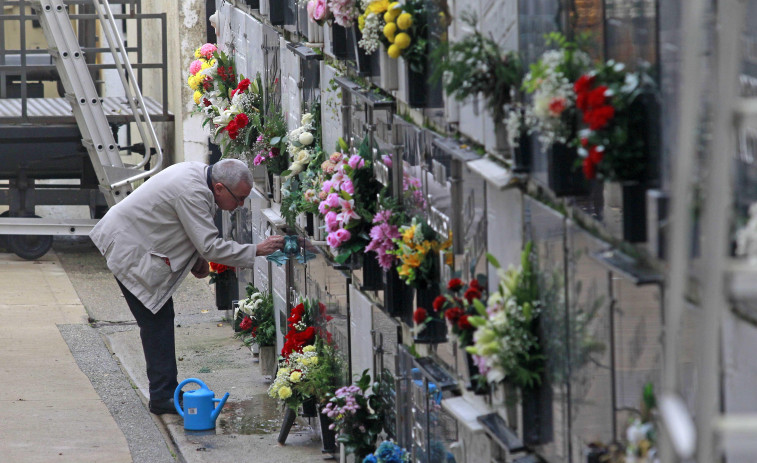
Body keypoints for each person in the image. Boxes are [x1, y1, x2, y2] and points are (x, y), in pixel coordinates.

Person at [89, 159, 283, 415]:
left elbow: (186, 226)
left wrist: (196, 257)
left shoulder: (197, 175)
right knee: (156, 322)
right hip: (129, 247)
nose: (240, 206)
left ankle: (165, 392)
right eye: (239, 198)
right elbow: (210, 245)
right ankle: (162, 397)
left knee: (158, 320)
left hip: (129, 238)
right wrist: (256, 250)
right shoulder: (193, 191)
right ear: (220, 188)